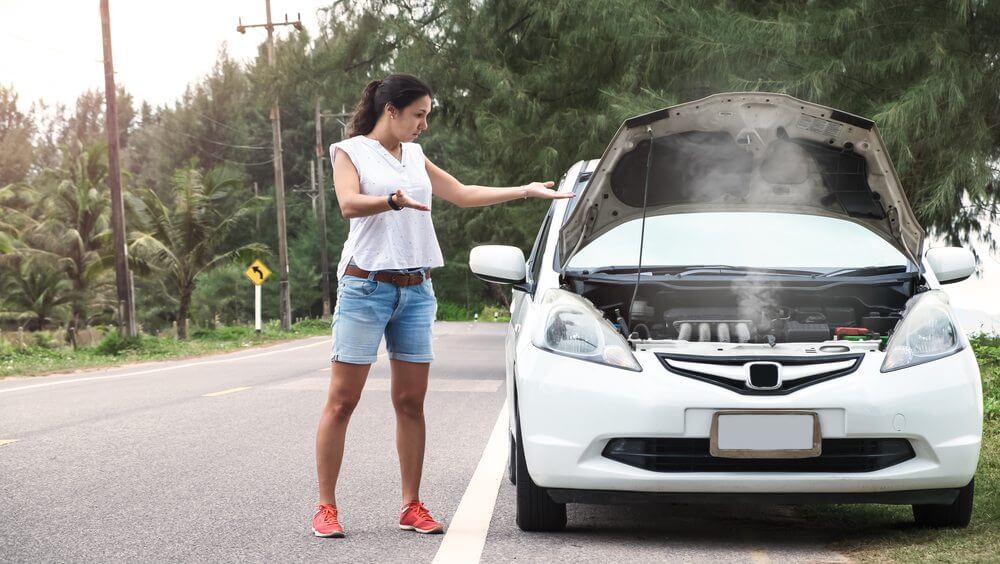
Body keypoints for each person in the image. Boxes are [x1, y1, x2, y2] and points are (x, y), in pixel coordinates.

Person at [311, 73, 573, 538]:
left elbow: (461, 193)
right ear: (390, 111)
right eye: (418, 115)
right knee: (342, 401)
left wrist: (524, 190)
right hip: (365, 288)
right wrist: (391, 201)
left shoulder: (414, 154)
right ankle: (326, 506)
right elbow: (349, 204)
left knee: (411, 403)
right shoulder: (348, 151)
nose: (423, 125)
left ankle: (411, 505)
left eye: (427, 116)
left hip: (415, 290)